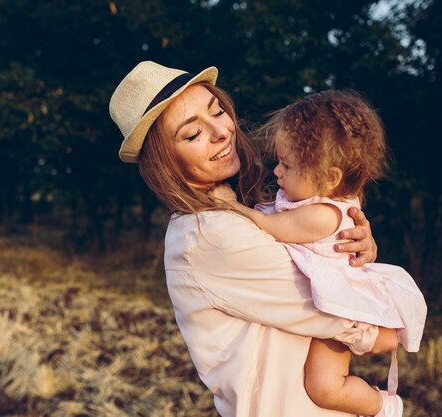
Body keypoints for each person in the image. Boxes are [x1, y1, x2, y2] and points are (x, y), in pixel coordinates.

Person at [109, 61, 399, 417]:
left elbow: (317, 261)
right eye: (192, 134)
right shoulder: (209, 236)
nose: (220, 132)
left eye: (217, 112)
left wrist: (351, 246)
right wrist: (394, 314)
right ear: (163, 162)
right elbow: (335, 308)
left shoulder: (250, 206)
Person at [210, 90, 428, 417]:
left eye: (286, 165)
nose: (277, 172)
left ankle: (383, 405)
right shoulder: (312, 196)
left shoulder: (321, 214)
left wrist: (229, 206)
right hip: (322, 307)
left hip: (339, 304)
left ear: (329, 178)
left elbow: (270, 226)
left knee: (325, 387)